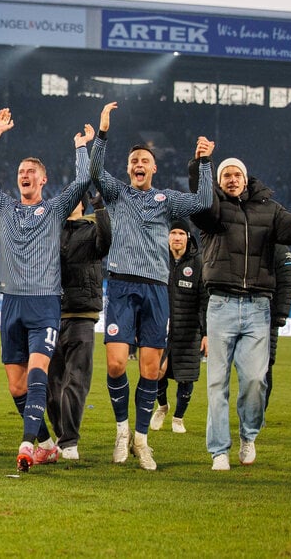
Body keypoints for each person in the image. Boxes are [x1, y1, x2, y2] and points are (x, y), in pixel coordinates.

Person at [90, 101, 214, 471]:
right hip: (123, 286)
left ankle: (142, 440)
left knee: (149, 369)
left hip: (157, 289)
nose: (139, 165)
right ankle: (122, 431)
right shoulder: (116, 193)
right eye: (134, 162)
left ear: (154, 168)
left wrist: (204, 163)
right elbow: (95, 169)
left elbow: (205, 200)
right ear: (128, 169)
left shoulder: (166, 199)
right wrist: (103, 132)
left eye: (144, 161)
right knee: (115, 364)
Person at [0, 108, 92, 472]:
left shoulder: (54, 210)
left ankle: (26, 444)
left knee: (38, 373)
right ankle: (49, 444)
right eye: (21, 172)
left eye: (31, 172)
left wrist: (80, 147)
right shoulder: (4, 207)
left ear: (43, 180)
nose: (24, 175)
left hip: (45, 303)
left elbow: (84, 179)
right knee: (17, 386)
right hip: (12, 304)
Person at [190, 156, 291, 471]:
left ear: (245, 178)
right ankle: (218, 451)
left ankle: (248, 435)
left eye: (236, 174)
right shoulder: (212, 211)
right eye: (225, 175)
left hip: (257, 306)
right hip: (221, 304)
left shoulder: (270, 209)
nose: (231, 179)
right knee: (216, 383)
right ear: (218, 181)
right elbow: (200, 204)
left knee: (255, 379)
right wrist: (199, 163)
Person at [46, 190, 110, 462]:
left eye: (76, 199)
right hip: (50, 314)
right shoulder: (50, 230)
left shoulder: (93, 229)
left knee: (76, 380)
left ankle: (69, 439)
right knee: (51, 385)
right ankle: (62, 434)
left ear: (82, 204)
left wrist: (101, 208)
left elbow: (106, 242)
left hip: (82, 315)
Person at [150, 219, 207, 435]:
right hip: (160, 329)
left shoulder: (198, 262)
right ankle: (162, 407)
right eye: (173, 232)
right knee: (156, 373)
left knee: (186, 376)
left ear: (188, 238)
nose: (176, 237)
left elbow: (204, 299)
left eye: (181, 233)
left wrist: (206, 333)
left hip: (188, 331)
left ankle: (178, 418)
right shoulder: (158, 259)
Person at [265, 245, 291, 411]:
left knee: (264, 367)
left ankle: (257, 414)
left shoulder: (280, 248)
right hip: (240, 311)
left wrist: (281, 313)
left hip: (268, 316)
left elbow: (287, 282)